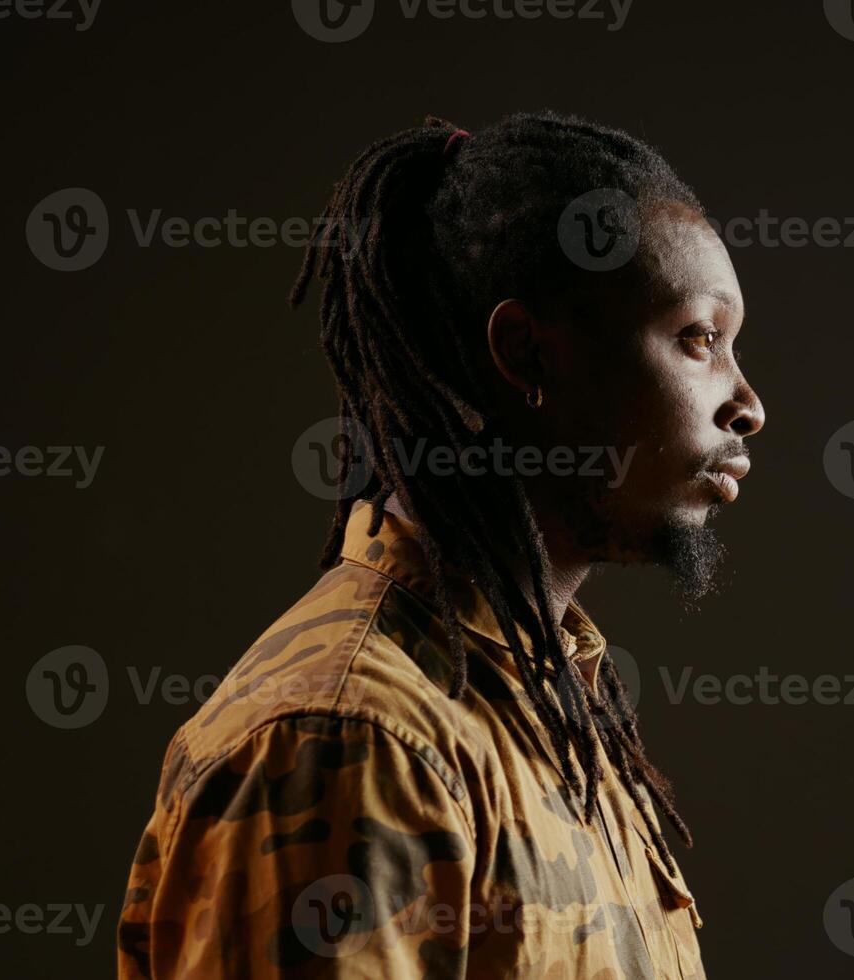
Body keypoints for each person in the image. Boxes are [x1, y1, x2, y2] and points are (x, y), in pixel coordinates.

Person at [116, 112, 764, 979]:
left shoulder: (555, 703)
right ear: (528, 356)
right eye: (698, 340)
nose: (748, 404)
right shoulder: (350, 739)